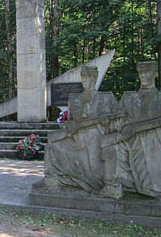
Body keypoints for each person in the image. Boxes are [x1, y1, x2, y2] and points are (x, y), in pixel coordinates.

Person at [43, 66, 118, 194]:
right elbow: (70, 122)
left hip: (97, 139)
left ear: (94, 78)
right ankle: (56, 180)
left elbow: (117, 125)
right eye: (83, 76)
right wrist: (70, 125)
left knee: (95, 169)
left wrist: (107, 123)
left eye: (88, 77)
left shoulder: (106, 98)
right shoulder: (74, 98)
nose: (85, 80)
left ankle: (95, 183)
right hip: (76, 140)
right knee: (51, 147)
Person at [118, 61, 161, 196]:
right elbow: (120, 125)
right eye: (141, 73)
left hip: (160, 148)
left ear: (156, 74)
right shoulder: (129, 98)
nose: (144, 76)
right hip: (136, 147)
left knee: (160, 184)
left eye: (147, 72)